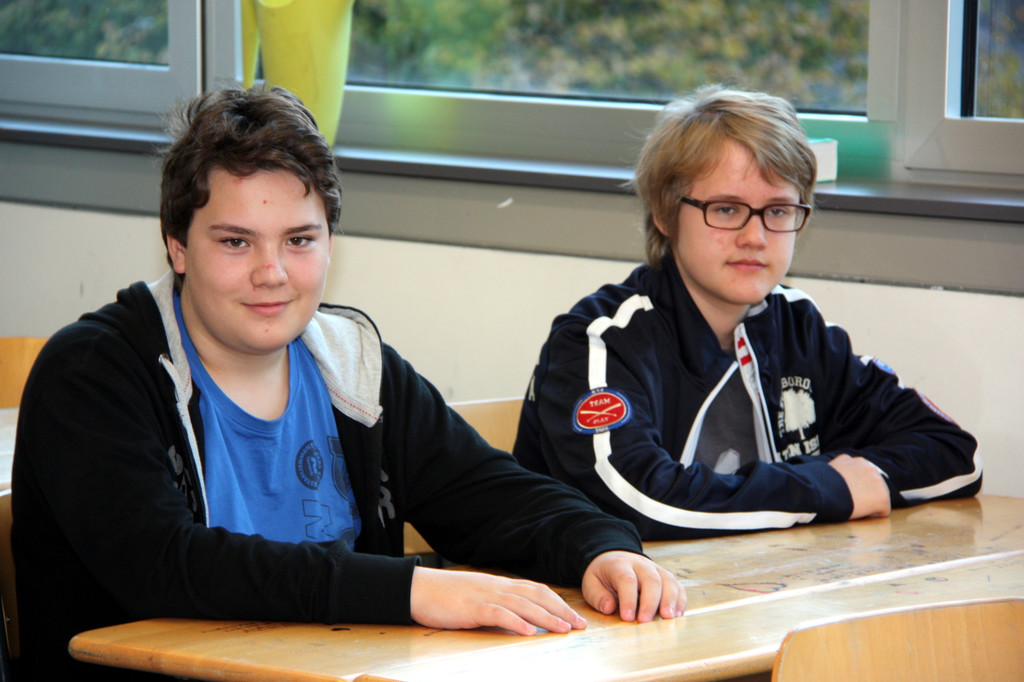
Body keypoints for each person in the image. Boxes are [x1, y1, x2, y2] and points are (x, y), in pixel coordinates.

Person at [11, 85, 684, 681]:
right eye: (236, 242)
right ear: (177, 246)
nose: (272, 272)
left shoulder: (354, 367)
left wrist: (599, 547)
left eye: (299, 240)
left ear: (331, 243)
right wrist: (412, 591)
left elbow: (491, 494)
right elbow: (166, 567)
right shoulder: (93, 374)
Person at [512, 85, 981, 541]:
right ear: (664, 213)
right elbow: (638, 500)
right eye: (726, 209)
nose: (755, 237)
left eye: (778, 211)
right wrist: (827, 487)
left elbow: (954, 453)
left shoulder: (799, 327)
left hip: (760, 581)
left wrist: (847, 483)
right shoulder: (600, 341)